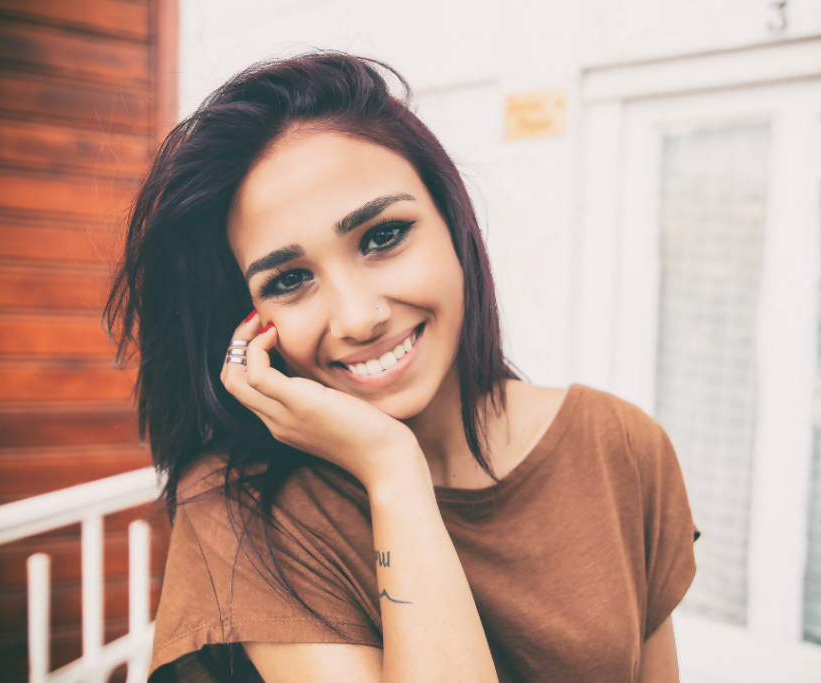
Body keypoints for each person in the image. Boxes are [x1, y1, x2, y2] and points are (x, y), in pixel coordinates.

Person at [106, 52, 697, 683]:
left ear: (454, 223)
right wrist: (392, 468)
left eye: (383, 237)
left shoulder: (621, 446)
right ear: (249, 319)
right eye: (290, 279)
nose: (359, 318)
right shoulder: (241, 506)